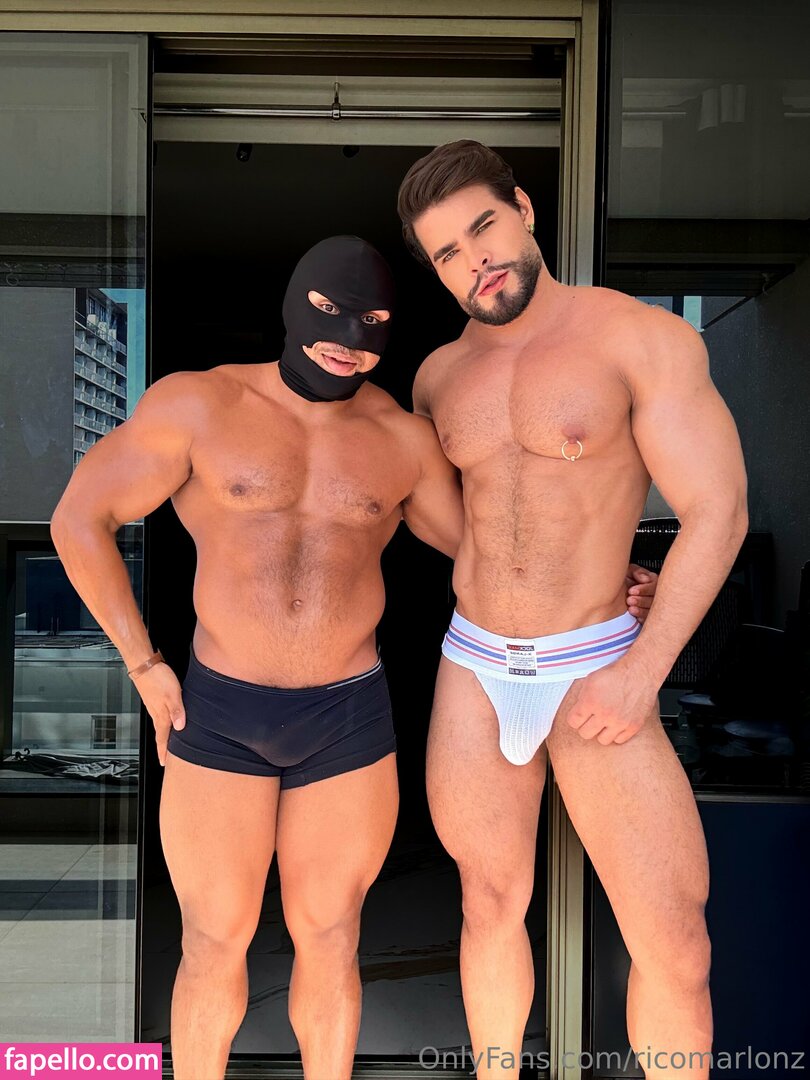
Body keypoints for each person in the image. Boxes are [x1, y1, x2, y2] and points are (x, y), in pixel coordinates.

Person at [50, 235, 656, 1080]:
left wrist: (615, 581)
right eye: (330, 311)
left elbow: (493, 549)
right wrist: (145, 665)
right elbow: (79, 520)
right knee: (213, 940)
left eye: (371, 321)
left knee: (332, 936)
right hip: (219, 710)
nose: (348, 338)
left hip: (346, 717)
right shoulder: (198, 404)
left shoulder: (403, 438)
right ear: (294, 305)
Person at [396, 141, 748, 1080]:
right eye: (448, 253)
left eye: (483, 227)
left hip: (599, 659)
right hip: (475, 665)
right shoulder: (435, 379)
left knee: (674, 940)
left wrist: (642, 668)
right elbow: (442, 516)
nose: (475, 259)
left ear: (523, 209)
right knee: (487, 905)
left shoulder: (639, 338)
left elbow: (718, 509)